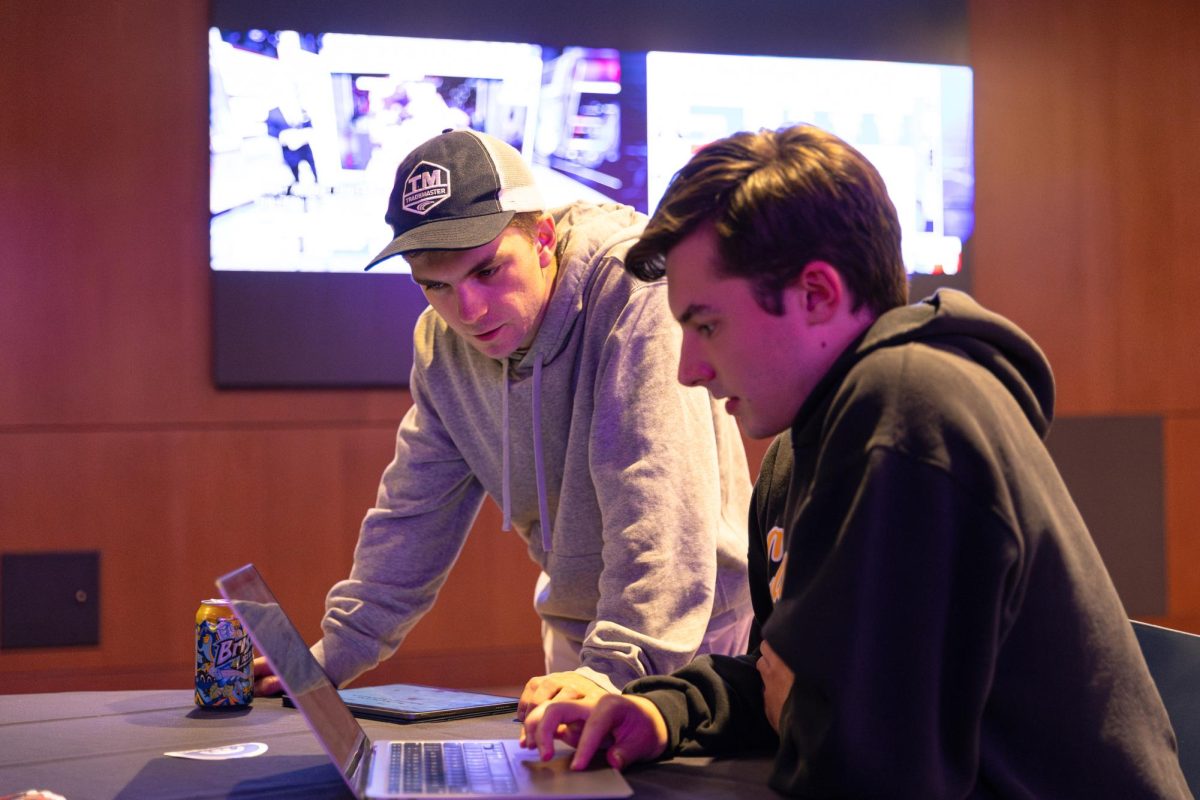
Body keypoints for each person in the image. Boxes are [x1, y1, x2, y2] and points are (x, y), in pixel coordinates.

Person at [522, 124, 1192, 797]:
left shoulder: (905, 412)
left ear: (816, 295)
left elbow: (871, 774)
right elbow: (781, 680)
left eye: (706, 325)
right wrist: (661, 711)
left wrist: (805, 707)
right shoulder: (796, 453)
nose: (688, 370)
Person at [254, 128, 754, 713]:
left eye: (488, 271)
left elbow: (657, 496)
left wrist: (614, 671)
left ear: (542, 238)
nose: (467, 312)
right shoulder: (443, 344)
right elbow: (413, 513)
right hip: (580, 633)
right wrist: (329, 658)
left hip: (688, 635)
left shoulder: (635, 292)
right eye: (435, 285)